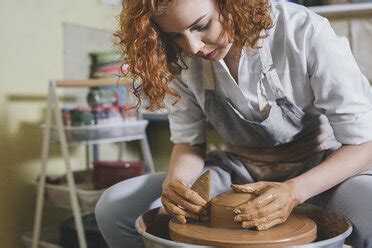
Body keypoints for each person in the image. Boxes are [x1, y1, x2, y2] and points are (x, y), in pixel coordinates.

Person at [95, 0, 372, 247]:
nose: (192, 46)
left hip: (319, 167)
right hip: (239, 171)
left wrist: (294, 191)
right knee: (115, 209)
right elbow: (189, 143)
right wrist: (176, 183)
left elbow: (364, 144)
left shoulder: (303, 32)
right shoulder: (180, 58)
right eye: (175, 35)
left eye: (201, 26)